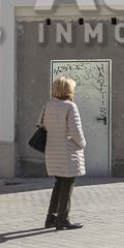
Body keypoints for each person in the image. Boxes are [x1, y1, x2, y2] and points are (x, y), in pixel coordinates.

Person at [38, 76, 86, 230]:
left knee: (59, 184)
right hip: (68, 152)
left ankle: (50, 218)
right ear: (68, 90)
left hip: (52, 151)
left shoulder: (48, 105)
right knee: (67, 185)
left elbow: (40, 124)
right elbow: (76, 131)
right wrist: (83, 144)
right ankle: (63, 219)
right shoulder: (70, 107)